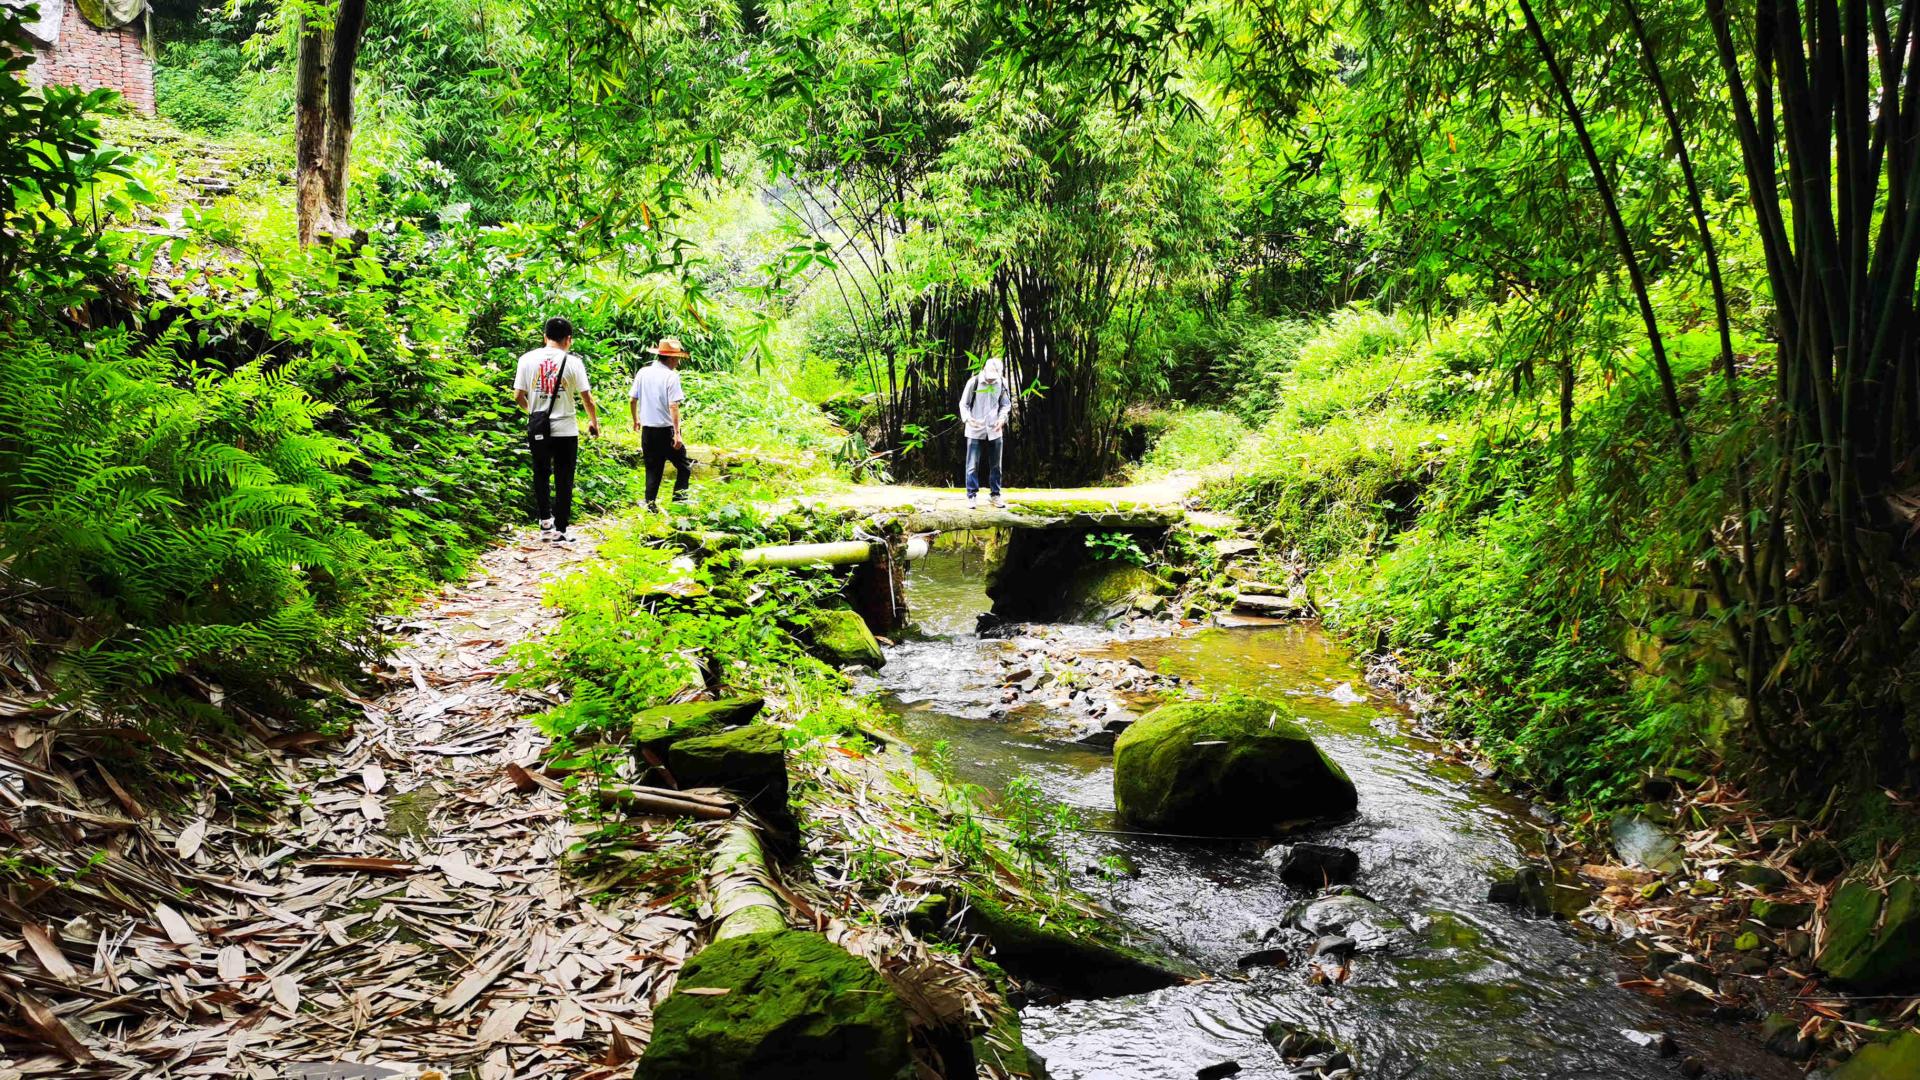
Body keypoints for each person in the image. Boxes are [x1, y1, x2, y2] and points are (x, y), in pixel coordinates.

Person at [513, 316, 599, 543]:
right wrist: (593, 422)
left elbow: (517, 396)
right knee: (564, 477)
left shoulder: (526, 359)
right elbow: (587, 398)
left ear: (545, 336)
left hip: (539, 429)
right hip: (566, 430)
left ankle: (544, 523)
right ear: (568, 339)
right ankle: (561, 528)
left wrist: (535, 413)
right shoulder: (574, 362)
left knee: (540, 473)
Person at [630, 336, 692, 511]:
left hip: (648, 430)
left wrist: (636, 420)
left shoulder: (643, 372)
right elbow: (673, 405)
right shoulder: (671, 376)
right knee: (684, 467)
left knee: (653, 469)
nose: (678, 362)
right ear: (672, 358)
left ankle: (650, 505)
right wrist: (677, 433)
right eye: (678, 359)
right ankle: (679, 503)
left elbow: (632, 399)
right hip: (665, 431)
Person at [959, 356, 1012, 508]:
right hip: (975, 428)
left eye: (993, 379)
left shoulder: (1002, 383)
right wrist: (968, 419)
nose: (990, 381)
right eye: (988, 378)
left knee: (996, 465)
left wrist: (1002, 419)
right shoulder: (973, 382)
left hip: (995, 429)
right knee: (972, 464)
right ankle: (971, 495)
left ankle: (995, 495)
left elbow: (1005, 405)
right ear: (984, 370)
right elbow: (964, 404)